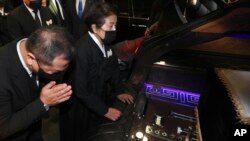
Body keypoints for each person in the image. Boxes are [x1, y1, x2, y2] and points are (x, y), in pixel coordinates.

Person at [60, 2, 134, 141]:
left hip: (96, 99)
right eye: (111, 25)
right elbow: (81, 90)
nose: (114, 29)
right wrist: (105, 110)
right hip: (79, 109)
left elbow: (113, 69)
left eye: (115, 25)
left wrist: (119, 91)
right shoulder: (82, 50)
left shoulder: (107, 44)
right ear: (95, 27)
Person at [0, 26, 75, 141]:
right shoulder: (3, 77)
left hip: (35, 131)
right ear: (31, 58)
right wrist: (43, 103)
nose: (58, 76)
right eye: (54, 72)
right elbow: (3, 129)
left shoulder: (35, 45)